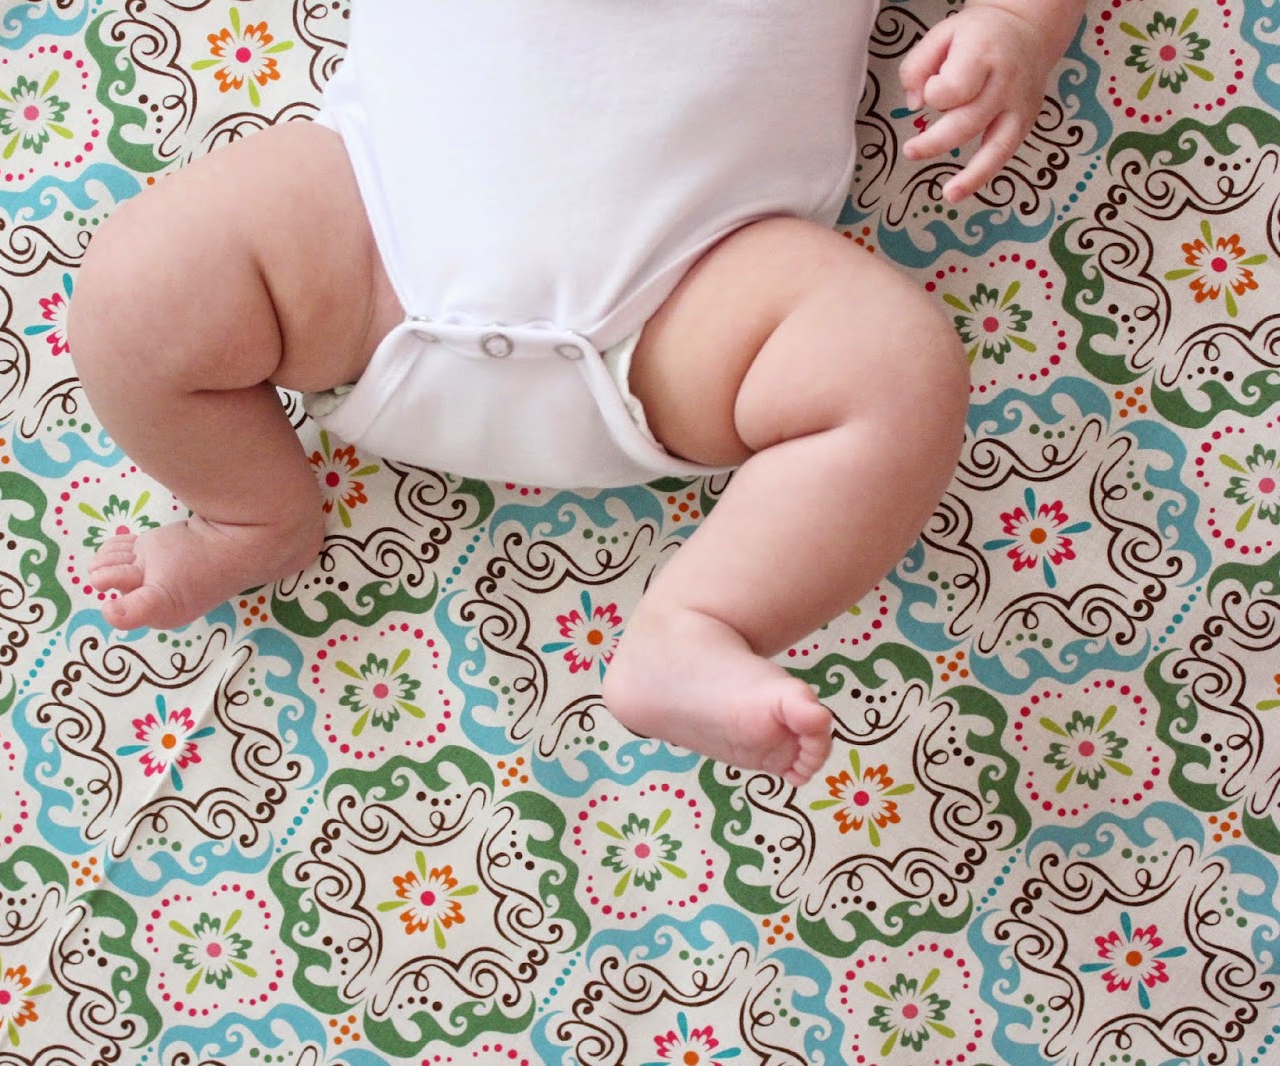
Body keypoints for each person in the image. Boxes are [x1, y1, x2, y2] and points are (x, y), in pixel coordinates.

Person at [69, 0, 1089, 786]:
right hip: (369, 248)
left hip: (694, 304)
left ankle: (695, 620)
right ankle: (253, 511)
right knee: (139, 290)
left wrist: (1017, 26)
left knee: (893, 363)